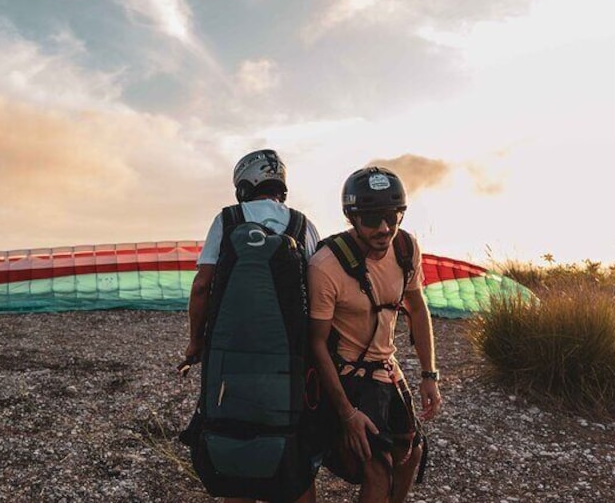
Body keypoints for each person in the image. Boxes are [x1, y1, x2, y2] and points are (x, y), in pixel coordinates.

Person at [183, 148, 320, 503]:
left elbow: (201, 287)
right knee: (294, 450)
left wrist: (195, 343)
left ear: (243, 185)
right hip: (287, 360)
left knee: (234, 441)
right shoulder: (303, 225)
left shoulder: (227, 220)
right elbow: (318, 295)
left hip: (229, 359)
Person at [308, 166, 441, 503]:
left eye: (392, 216)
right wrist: (347, 413)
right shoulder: (327, 266)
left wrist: (429, 374)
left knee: (411, 451)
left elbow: (417, 307)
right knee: (377, 466)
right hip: (348, 373)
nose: (384, 228)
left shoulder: (406, 250)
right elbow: (316, 343)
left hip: (387, 369)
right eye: (371, 219)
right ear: (352, 218)